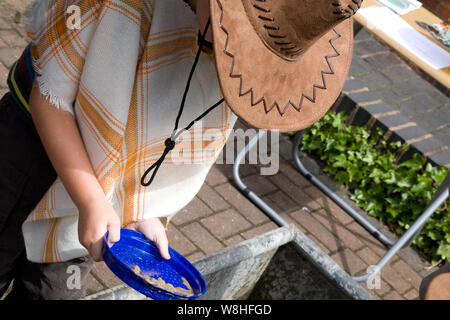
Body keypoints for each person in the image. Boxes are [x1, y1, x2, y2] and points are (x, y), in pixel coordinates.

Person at [0, 0, 361, 299]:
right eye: (239, 38)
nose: (235, 57)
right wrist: (90, 200)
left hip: (95, 206)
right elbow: (50, 102)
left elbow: (162, 141)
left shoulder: (239, 71)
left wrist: (141, 210)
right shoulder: (123, 6)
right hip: (30, 154)